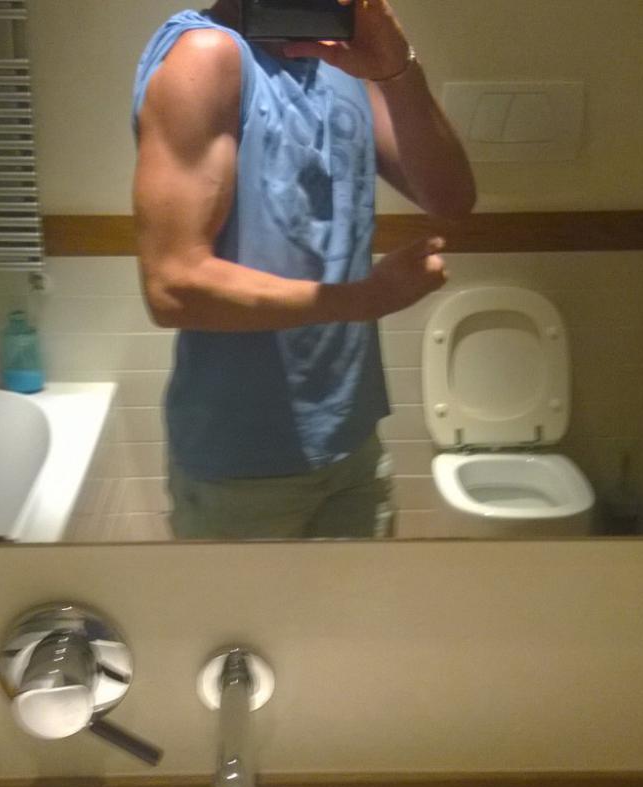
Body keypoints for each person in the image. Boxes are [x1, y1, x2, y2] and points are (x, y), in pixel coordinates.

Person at [132, 0, 475, 540]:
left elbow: (450, 198)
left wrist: (398, 69)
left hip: (351, 440)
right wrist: (367, 298)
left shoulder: (340, 62)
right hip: (242, 467)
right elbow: (174, 286)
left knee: (364, 601)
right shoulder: (207, 55)